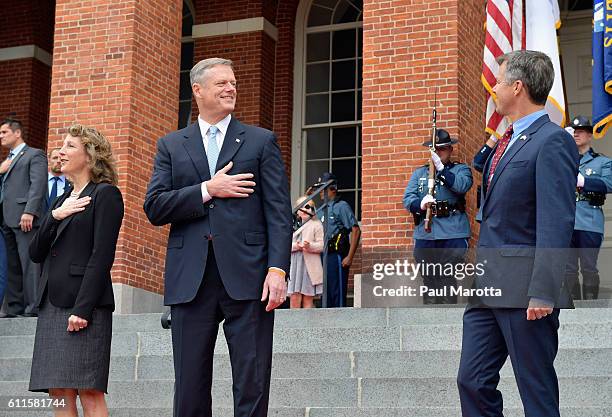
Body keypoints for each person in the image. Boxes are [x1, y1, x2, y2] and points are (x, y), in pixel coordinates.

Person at [143, 57, 292, 417]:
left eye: (233, 83)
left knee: (252, 380)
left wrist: (278, 269)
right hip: (189, 278)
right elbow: (155, 207)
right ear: (197, 90)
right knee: (190, 387)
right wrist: (208, 189)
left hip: (249, 276)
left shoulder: (260, 141)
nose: (230, 89)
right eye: (222, 83)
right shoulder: (171, 145)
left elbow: (278, 212)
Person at [458, 50, 578, 417]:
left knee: (535, 390)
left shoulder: (552, 141)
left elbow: (555, 221)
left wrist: (544, 289)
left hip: (527, 288)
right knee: (472, 380)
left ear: (518, 86)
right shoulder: (505, 141)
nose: (493, 88)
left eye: (498, 81)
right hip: (488, 284)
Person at [28, 124, 124, 417]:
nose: (61, 151)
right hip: (52, 303)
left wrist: (83, 309)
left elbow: (101, 256)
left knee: (89, 391)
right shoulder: (60, 200)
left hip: (84, 305)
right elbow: (35, 252)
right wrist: (54, 216)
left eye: (70, 146)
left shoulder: (106, 195)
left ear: (90, 155)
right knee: (58, 391)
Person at [402, 129, 472, 304]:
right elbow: (407, 198)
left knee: (446, 275)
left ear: (450, 150)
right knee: (429, 278)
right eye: (436, 150)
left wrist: (441, 169)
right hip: (427, 231)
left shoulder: (459, 169)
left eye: (443, 149)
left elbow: (462, 186)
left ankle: (446, 319)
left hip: (453, 230)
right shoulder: (420, 173)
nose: (439, 153)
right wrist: (420, 204)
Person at [0, 119, 47, 317]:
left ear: (17, 133)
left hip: (24, 218)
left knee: (28, 264)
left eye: (4, 132)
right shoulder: (5, 161)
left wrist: (30, 211)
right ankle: (14, 308)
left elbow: (38, 185)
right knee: (12, 265)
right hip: (5, 219)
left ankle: (32, 308)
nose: (1, 136)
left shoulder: (34, 155)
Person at [565, 116, 612, 300]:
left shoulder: (602, 162)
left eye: (581, 130)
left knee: (588, 266)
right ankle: (573, 310)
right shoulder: (565, 160)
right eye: (574, 131)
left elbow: (609, 183)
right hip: (567, 220)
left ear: (590, 135)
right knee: (568, 268)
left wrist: (585, 182)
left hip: (589, 221)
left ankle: (591, 309)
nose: (576, 133)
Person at [315, 172, 360, 308]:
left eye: (324, 188)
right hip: (323, 255)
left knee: (337, 292)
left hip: (337, 254)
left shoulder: (341, 206)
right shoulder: (321, 209)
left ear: (333, 189)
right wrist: (307, 195)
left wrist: (350, 257)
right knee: (325, 292)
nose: (320, 192)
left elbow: (356, 230)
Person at [289, 196, 324, 308]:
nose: (305, 209)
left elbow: (322, 245)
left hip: (309, 265)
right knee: (295, 297)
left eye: (308, 207)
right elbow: (284, 244)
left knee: (308, 297)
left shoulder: (316, 224)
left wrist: (309, 246)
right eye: (302, 207)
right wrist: (297, 246)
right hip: (294, 264)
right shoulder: (292, 225)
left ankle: (308, 323)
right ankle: (294, 324)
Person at [43, 148, 67, 213]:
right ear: (49, 160)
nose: (59, 161)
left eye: (61, 158)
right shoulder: (39, 181)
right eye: (55, 158)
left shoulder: (72, 184)